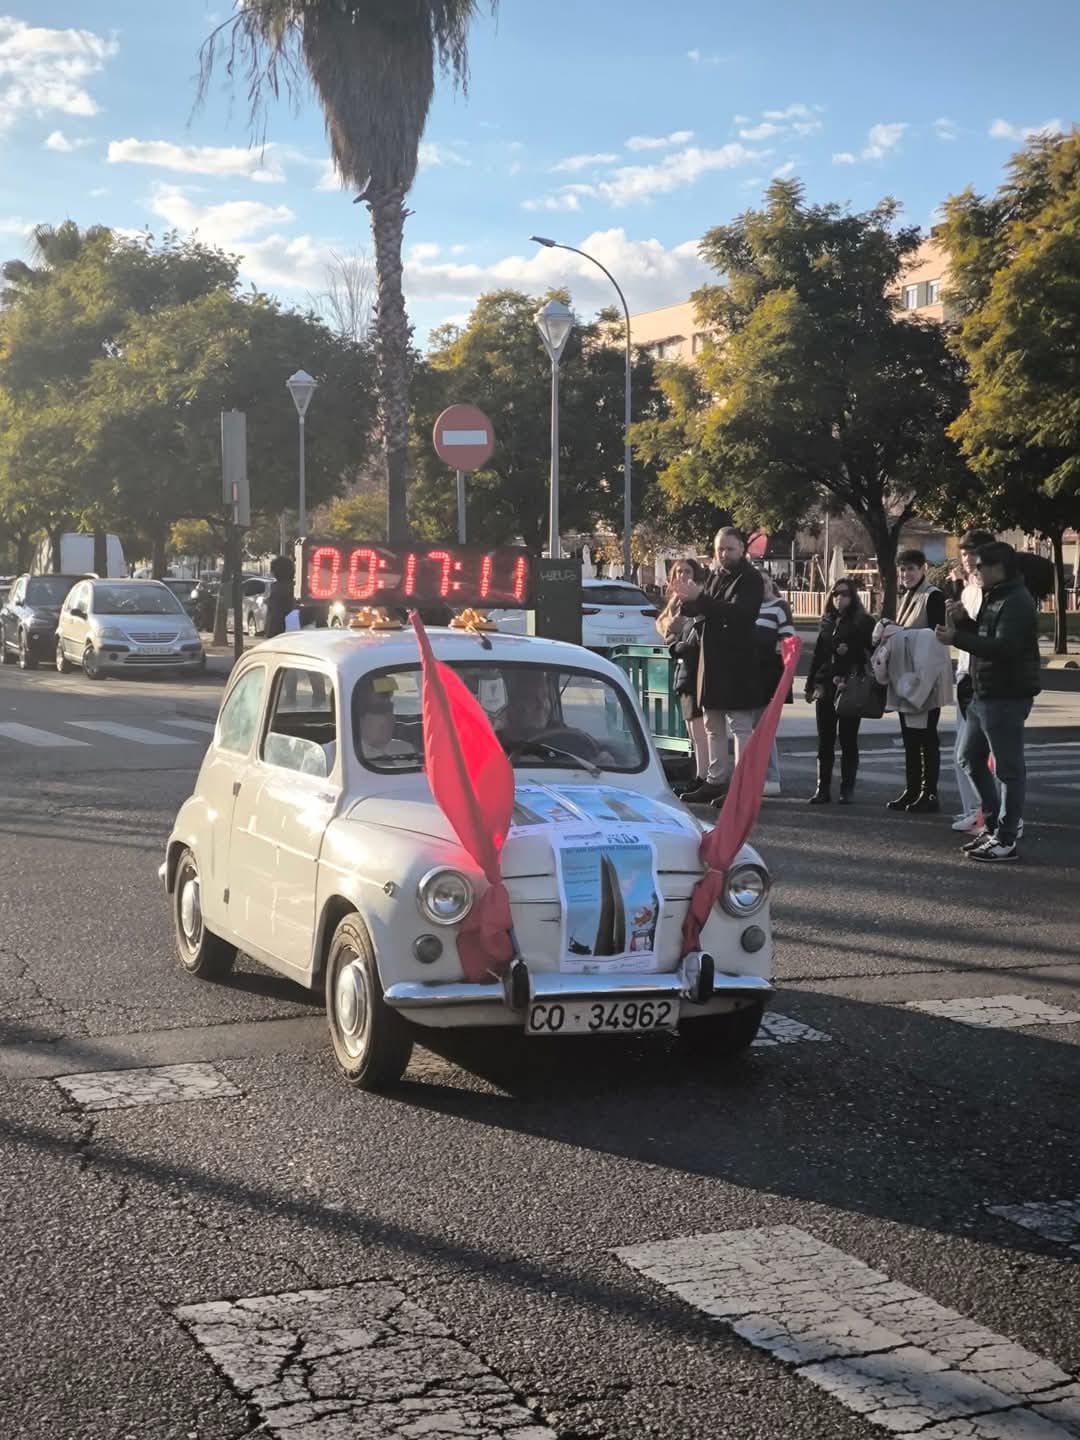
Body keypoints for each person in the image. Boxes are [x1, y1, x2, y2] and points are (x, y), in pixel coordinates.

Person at [936, 541, 1041, 862]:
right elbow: (985, 635)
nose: (974, 570)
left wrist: (957, 637)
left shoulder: (1017, 601)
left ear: (999, 567)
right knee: (969, 757)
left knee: (1009, 770)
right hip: (985, 691)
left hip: (1007, 694)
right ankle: (994, 825)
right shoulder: (996, 596)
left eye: (980, 566)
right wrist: (965, 621)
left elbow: (1003, 648)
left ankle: (1006, 836)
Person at [670, 527, 765, 806]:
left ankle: (743, 787)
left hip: (738, 662)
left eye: (730, 549)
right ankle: (714, 780)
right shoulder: (715, 576)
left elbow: (741, 613)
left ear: (742, 550)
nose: (724, 554)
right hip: (710, 661)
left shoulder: (750, 579)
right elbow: (702, 609)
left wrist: (700, 600)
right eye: (720, 549)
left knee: (740, 725)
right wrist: (687, 600)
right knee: (712, 723)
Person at [805, 580, 875, 805]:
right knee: (825, 740)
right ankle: (822, 788)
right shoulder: (827, 621)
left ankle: (847, 788)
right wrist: (810, 685)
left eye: (844, 594)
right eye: (835, 594)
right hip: (826, 685)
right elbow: (818, 655)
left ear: (853, 596)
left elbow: (869, 652)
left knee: (848, 739)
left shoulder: (863, 622)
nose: (839, 598)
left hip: (850, 684)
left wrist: (848, 652)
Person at [945, 530, 996, 834]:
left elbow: (985, 635)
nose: (968, 559)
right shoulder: (966, 590)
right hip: (965, 674)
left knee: (990, 757)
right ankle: (975, 810)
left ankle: (1002, 817)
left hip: (987, 681)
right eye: (964, 553)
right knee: (962, 755)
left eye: (972, 553)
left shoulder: (993, 591)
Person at [889, 548, 947, 812]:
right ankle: (912, 790)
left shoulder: (933, 596)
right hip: (907, 679)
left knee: (926, 738)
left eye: (911, 568)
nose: (906, 574)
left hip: (925, 681)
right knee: (910, 738)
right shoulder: (909, 596)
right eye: (902, 569)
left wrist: (899, 632)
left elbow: (935, 637)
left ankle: (929, 793)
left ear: (923, 569)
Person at [656, 559, 707, 793]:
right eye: (678, 572)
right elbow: (665, 629)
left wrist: (676, 636)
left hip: (700, 670)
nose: (683, 575)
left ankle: (705, 776)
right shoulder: (673, 605)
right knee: (691, 728)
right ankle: (699, 773)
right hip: (682, 669)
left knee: (701, 728)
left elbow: (692, 631)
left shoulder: (700, 600)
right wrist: (674, 641)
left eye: (687, 571)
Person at [754, 576, 796, 796]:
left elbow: (788, 639)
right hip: (751, 674)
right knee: (753, 728)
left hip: (769, 674)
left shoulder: (779, 606)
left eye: (763, 583)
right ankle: (760, 776)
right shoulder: (750, 605)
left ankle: (771, 776)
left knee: (763, 728)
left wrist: (771, 649)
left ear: (770, 584)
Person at [264, 555, 296, 639]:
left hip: (280, 636)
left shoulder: (277, 589)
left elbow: (275, 616)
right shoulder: (296, 588)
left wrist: (270, 634)